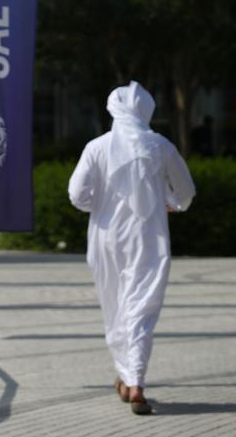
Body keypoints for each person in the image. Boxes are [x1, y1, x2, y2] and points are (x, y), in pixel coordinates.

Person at [68, 81, 195, 415]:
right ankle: (134, 380)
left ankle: (126, 378)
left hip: (105, 238)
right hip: (148, 238)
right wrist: (172, 204)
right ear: (146, 110)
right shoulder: (160, 145)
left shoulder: (96, 147)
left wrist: (101, 207)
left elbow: (77, 195)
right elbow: (185, 191)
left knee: (115, 307)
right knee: (141, 307)